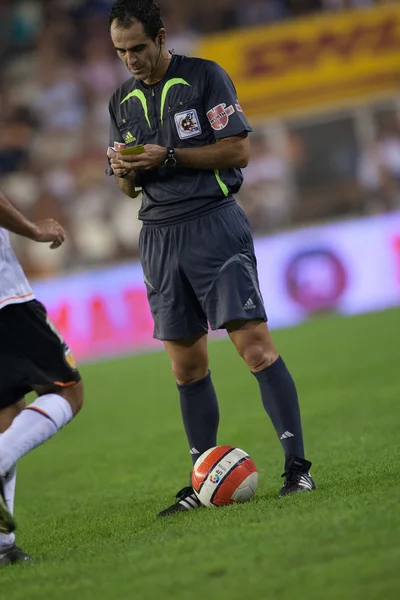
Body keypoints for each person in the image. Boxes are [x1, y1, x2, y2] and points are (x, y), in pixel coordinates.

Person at [106, 0, 315, 517]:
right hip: (157, 236)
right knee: (186, 367)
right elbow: (130, 190)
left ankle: (297, 469)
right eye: (120, 51)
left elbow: (238, 150)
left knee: (255, 348)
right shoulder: (120, 101)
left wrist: (169, 156)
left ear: (159, 38)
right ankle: (201, 483)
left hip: (213, 224)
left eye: (137, 48)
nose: (130, 59)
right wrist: (123, 170)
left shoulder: (204, 77)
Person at [0, 189, 84, 565]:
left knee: (7, 411)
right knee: (68, 391)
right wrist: (33, 230)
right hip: (5, 299)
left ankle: (3, 546)